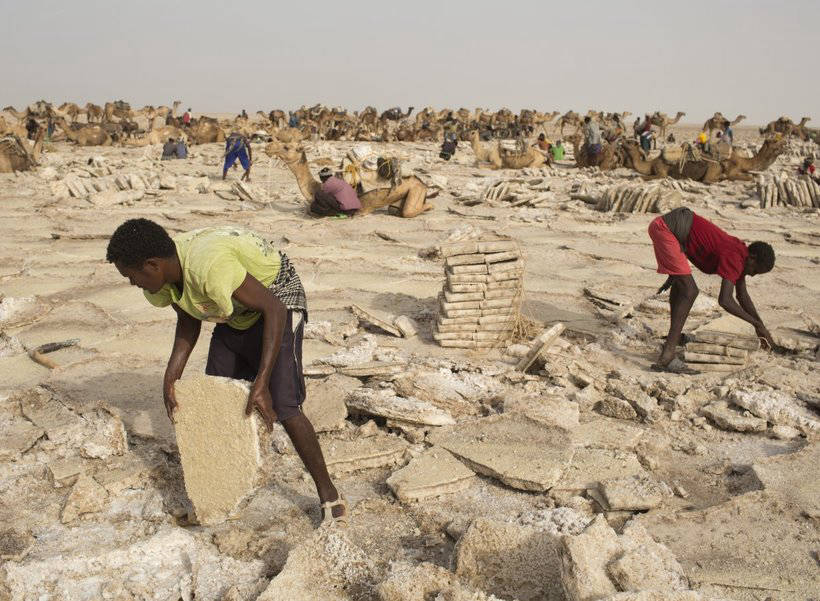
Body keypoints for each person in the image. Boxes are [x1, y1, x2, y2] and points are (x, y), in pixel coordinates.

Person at [106, 219, 347, 525]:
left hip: (277, 298)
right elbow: (189, 318)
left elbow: (273, 309)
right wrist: (171, 377)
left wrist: (261, 381)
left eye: (131, 276)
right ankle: (218, 499)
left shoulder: (209, 266)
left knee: (284, 404)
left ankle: (329, 495)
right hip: (236, 310)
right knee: (216, 403)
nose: (132, 283)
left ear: (152, 265)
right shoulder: (164, 280)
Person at [648, 207, 777, 371]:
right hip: (666, 229)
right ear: (752, 258)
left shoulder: (740, 253)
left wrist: (761, 326)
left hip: (671, 228)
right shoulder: (736, 257)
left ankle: (669, 345)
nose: (752, 275)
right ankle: (667, 355)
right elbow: (725, 300)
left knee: (683, 286)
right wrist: (754, 323)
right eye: (755, 271)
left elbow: (742, 295)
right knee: (690, 291)